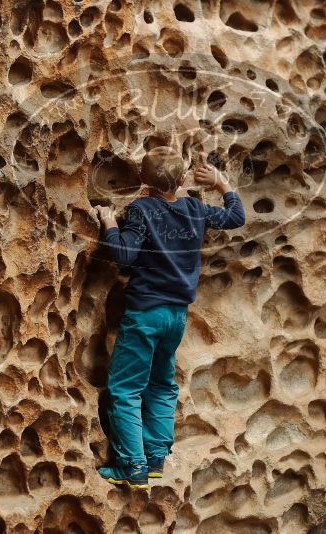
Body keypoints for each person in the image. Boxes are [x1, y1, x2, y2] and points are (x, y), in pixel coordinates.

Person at [91, 146, 245, 489]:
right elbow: (235, 217)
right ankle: (156, 457)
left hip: (145, 314)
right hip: (176, 317)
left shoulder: (141, 210)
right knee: (161, 384)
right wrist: (222, 183)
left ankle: (133, 467)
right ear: (182, 179)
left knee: (125, 389)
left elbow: (125, 256)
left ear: (143, 179)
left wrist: (110, 223)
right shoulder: (193, 208)